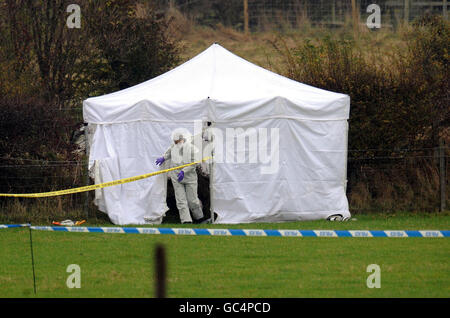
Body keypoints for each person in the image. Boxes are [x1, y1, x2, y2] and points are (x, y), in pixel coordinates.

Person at [155, 131, 206, 224]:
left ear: (182, 140)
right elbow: (168, 153)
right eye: (175, 142)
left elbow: (194, 163)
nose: (176, 143)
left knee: (193, 200)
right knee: (180, 200)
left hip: (190, 178)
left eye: (177, 141)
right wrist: (163, 158)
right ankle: (186, 220)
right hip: (176, 178)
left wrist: (184, 171)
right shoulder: (173, 147)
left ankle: (199, 218)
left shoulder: (191, 149)